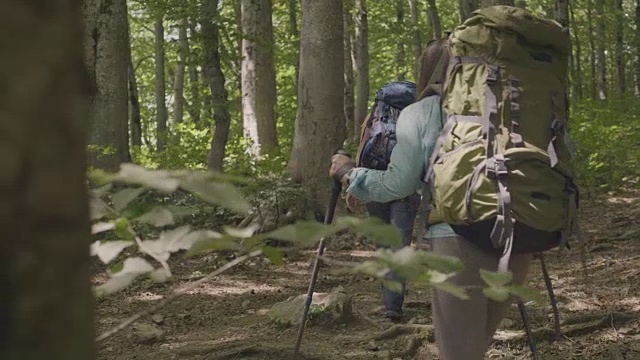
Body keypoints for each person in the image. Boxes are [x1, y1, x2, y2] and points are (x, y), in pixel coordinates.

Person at [329, 39, 533, 360]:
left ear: (427, 70)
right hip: (518, 240)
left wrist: (349, 175)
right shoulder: (504, 106)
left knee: (459, 353)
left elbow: (399, 183)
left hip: (458, 240)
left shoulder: (421, 112)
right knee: (476, 344)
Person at [353, 82, 421, 321]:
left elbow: (363, 145)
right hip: (405, 188)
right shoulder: (417, 117)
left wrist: (355, 185)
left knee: (382, 243)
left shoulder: (374, 116)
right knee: (399, 246)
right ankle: (393, 305)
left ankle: (389, 301)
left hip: (373, 182)